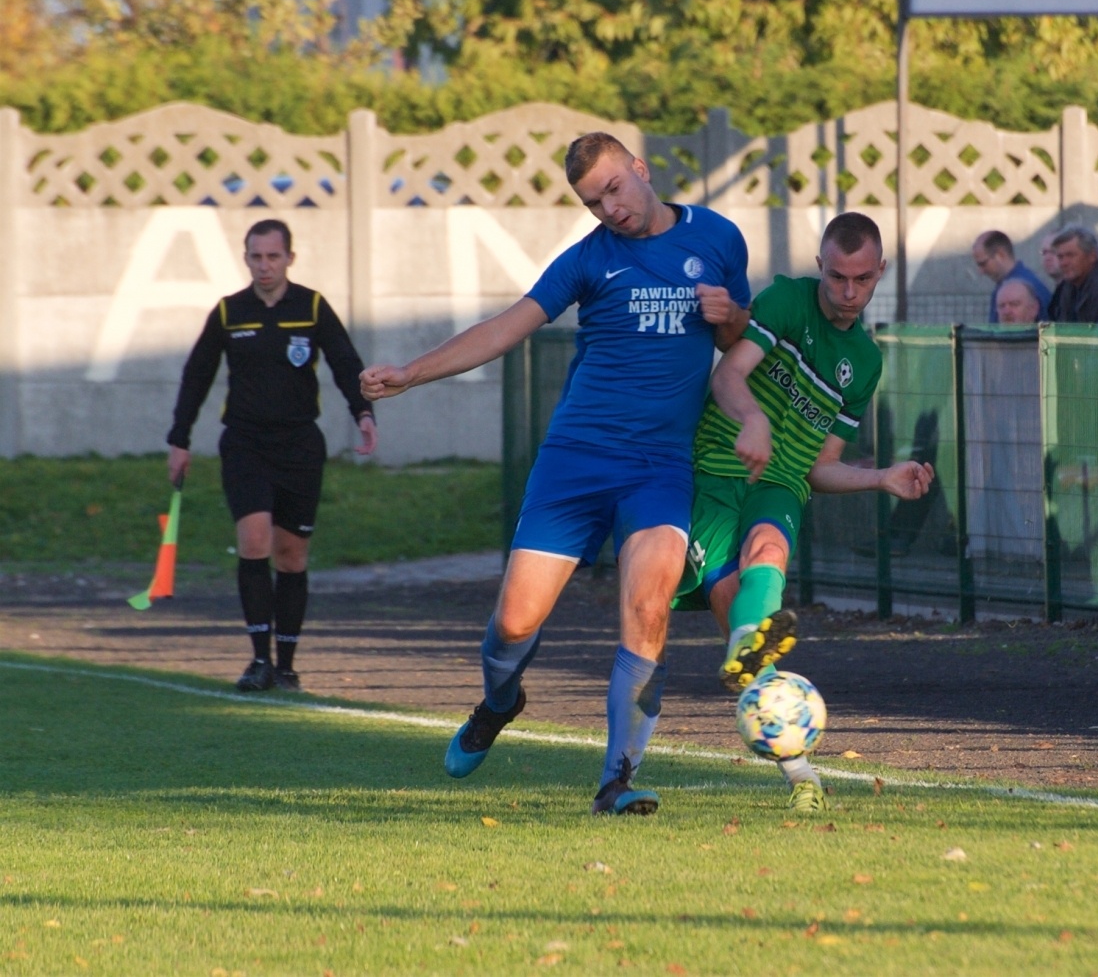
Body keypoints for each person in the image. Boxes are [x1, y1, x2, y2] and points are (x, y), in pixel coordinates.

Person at [359, 132, 751, 817]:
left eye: (614, 190)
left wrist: (730, 317)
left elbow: (736, 335)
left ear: (640, 169)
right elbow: (505, 328)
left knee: (649, 608)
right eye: (593, 202)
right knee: (513, 624)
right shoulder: (587, 262)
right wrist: (410, 375)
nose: (610, 209)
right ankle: (501, 701)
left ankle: (616, 782)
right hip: (574, 462)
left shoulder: (719, 237)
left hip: (659, 468)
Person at [676, 212, 934, 812]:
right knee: (730, 595)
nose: (848, 293)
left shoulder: (865, 362)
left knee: (769, 550)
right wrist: (755, 419)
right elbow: (728, 376)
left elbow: (820, 466)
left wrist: (881, 478)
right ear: (820, 266)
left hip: (782, 482)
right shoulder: (788, 301)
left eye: (862, 280)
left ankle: (754, 667)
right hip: (717, 468)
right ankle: (799, 771)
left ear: (880, 274)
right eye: (837, 277)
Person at [166, 219, 377, 693]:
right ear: (246, 259)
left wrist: (363, 412)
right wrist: (179, 438)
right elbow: (196, 375)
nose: (264, 266)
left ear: (289, 259)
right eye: (256, 257)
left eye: (273, 257)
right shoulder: (228, 313)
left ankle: (287, 665)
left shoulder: (312, 306)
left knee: (291, 555)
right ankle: (258, 660)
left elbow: (346, 361)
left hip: (300, 445)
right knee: (255, 540)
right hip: (244, 443)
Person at [972, 231, 1051, 323]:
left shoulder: (1025, 286)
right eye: (1002, 306)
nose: (981, 271)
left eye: (983, 264)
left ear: (1001, 255)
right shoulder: (1028, 283)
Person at [1046, 227, 1098, 323]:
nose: (1064, 263)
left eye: (1070, 255)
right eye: (1060, 257)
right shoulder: (1066, 287)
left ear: (1092, 256)